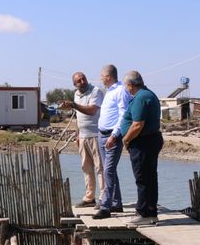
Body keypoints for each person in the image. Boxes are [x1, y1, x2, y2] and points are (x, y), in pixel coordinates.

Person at [119, 70, 163, 228]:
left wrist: (126, 139)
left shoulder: (141, 97)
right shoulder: (146, 94)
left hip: (143, 142)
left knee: (143, 178)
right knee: (150, 177)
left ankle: (143, 213)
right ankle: (151, 213)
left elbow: (137, 124)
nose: (126, 88)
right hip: (149, 140)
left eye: (126, 86)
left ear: (130, 85)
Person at [60, 72, 104, 208]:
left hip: (96, 134)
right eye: (79, 81)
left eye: (83, 79)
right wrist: (77, 134)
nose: (82, 82)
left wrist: (73, 105)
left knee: (100, 167)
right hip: (83, 136)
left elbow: (92, 110)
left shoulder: (96, 91)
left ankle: (104, 197)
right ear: (75, 84)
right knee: (86, 167)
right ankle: (90, 198)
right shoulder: (76, 94)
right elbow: (78, 116)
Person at [93, 64, 132, 219]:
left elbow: (123, 115)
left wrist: (114, 135)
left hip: (112, 136)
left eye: (102, 76)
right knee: (109, 170)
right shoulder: (109, 91)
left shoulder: (121, 91)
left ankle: (105, 207)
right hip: (102, 134)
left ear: (108, 77)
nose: (101, 78)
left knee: (108, 170)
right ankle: (117, 203)